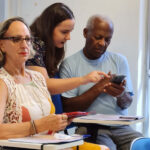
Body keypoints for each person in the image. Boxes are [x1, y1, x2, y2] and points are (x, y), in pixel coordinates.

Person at [0, 17, 110, 150]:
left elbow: (46, 120)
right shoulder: (3, 81)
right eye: (16, 39)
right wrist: (40, 125)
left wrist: (58, 121)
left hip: (51, 143)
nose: (24, 44)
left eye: (27, 39)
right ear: (2, 45)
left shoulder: (37, 77)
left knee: (104, 149)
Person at [59, 15, 143, 150]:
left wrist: (120, 94)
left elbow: (127, 102)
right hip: (89, 128)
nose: (103, 43)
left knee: (143, 145)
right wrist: (98, 87)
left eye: (107, 40)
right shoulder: (69, 64)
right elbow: (67, 107)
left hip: (122, 128)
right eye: (98, 37)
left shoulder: (120, 61)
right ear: (86, 33)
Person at [26, 2, 106, 96]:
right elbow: (45, 85)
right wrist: (84, 79)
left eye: (70, 32)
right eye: (64, 32)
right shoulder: (33, 45)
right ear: (49, 28)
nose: (68, 37)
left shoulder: (52, 46)